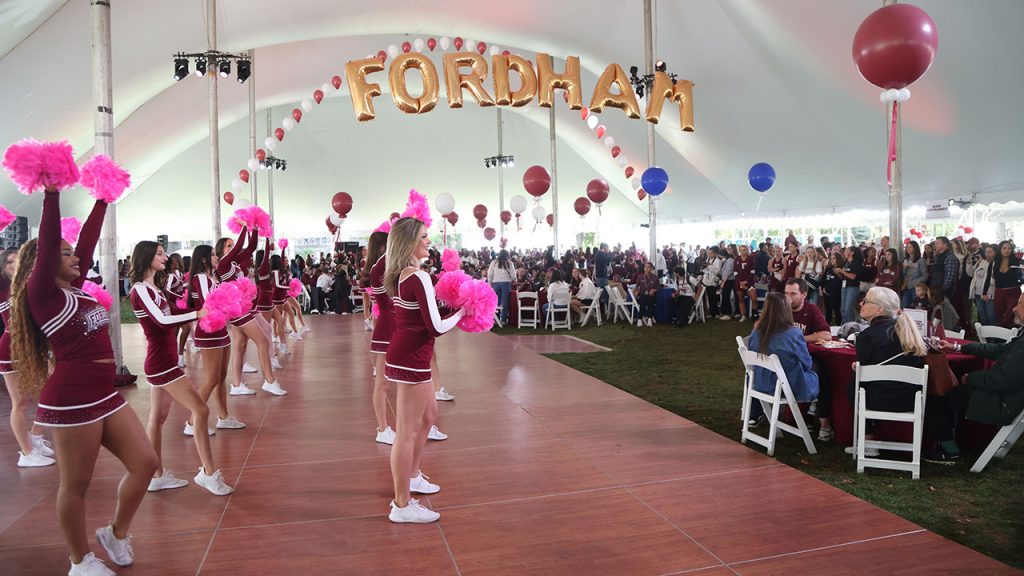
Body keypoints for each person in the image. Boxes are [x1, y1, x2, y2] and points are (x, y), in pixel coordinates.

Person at [11, 186, 159, 575]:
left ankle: (116, 533)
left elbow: (88, 241)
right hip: (72, 398)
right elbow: (46, 246)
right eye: (66, 253)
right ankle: (79, 561)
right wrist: (51, 195)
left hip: (104, 393)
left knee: (145, 463)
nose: (76, 257)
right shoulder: (41, 294)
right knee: (76, 485)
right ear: (43, 263)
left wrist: (102, 200)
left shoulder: (74, 290)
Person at [129, 241, 233, 496]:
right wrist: (197, 315)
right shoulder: (140, 290)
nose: (166, 258)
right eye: (160, 254)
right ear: (146, 257)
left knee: (157, 418)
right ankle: (208, 473)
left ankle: (156, 475)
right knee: (199, 409)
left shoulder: (155, 288)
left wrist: (202, 311)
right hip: (161, 364)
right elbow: (163, 320)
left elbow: (175, 311)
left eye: (164, 253)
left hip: (163, 362)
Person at [383, 217, 466, 524]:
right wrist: (463, 312)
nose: (428, 241)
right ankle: (401, 505)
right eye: (423, 236)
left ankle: (413, 475)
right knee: (405, 432)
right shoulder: (417, 277)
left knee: (429, 416)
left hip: (412, 354)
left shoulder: (408, 276)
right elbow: (435, 327)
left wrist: (452, 306)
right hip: (412, 358)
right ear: (409, 243)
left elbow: (424, 317)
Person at [931, 292, 1024, 463]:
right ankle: (951, 440)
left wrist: (971, 377)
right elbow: (998, 350)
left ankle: (949, 450)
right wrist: (957, 347)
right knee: (950, 389)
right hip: (1003, 397)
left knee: (936, 395)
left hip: (1002, 402)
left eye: (1020, 304)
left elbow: (1002, 380)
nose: (1014, 308)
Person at [846, 287, 927, 457]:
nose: (861, 303)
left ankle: (867, 439)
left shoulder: (866, 337)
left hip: (877, 401)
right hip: (912, 400)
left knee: (854, 382)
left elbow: (864, 375)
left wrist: (859, 369)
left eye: (866, 301)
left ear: (880, 309)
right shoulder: (910, 332)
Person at [0, 247, 55, 467]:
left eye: (19, 261)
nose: (15, 265)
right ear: (4, 267)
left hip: (33, 347)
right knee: (20, 402)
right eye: (10, 262)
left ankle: (36, 435)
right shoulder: (2, 286)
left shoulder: (30, 285)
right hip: (10, 348)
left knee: (49, 393)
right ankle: (26, 453)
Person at [745, 293, 820, 424]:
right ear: (786, 310)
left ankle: (755, 414)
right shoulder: (793, 334)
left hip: (759, 382)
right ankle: (819, 409)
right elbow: (806, 364)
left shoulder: (756, 332)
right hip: (786, 385)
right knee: (819, 366)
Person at [993, 241, 1022, 328]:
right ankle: (1000, 335)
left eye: (1009, 248)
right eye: (1004, 248)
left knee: (1011, 314)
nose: (1007, 250)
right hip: (999, 292)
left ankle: (1011, 334)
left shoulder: (1017, 262)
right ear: (1000, 250)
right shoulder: (995, 262)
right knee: (999, 313)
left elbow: (1021, 278)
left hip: (1013, 292)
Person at [969, 244, 997, 327]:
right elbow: (970, 273)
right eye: (986, 252)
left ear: (995, 253)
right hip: (978, 293)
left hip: (989, 295)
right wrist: (969, 264)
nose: (987, 254)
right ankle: (985, 338)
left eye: (990, 252)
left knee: (991, 318)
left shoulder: (996, 264)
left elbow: (991, 280)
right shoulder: (981, 262)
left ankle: (993, 338)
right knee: (982, 318)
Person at [837, 246, 864, 324]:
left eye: (846, 251)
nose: (844, 253)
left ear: (852, 253)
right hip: (844, 286)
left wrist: (841, 271)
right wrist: (839, 273)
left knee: (848, 308)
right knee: (843, 308)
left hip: (852, 287)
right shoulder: (847, 263)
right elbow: (845, 276)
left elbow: (853, 276)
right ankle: (845, 324)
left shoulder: (856, 263)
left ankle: (849, 326)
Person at [487, 250, 514, 325]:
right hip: (506, 283)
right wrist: (514, 279)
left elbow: (490, 274)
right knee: (505, 302)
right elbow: (513, 274)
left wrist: (490, 284)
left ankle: (496, 319)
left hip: (495, 283)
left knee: (496, 302)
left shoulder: (494, 262)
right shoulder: (509, 263)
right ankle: (503, 320)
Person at [733, 244, 757, 321]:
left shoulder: (751, 259)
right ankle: (743, 315)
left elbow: (752, 271)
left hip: (749, 282)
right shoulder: (736, 259)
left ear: (747, 250)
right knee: (740, 299)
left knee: (754, 297)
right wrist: (741, 282)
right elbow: (735, 272)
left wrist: (746, 281)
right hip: (739, 282)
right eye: (741, 250)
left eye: (744, 250)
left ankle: (754, 314)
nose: (743, 252)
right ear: (739, 251)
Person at [901, 241, 927, 309]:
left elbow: (925, 275)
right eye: (907, 247)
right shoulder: (906, 260)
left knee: (917, 307)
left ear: (915, 248)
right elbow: (903, 274)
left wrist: (916, 283)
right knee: (905, 306)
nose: (908, 249)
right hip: (907, 287)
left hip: (916, 287)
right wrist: (904, 268)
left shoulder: (921, 261)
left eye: (910, 247)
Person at [821, 252, 845, 326]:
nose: (832, 260)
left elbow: (839, 282)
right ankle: (827, 326)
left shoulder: (842, 269)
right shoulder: (828, 268)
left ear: (838, 259)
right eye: (831, 258)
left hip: (836, 294)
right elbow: (823, 279)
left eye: (834, 258)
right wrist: (823, 288)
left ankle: (838, 326)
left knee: (837, 310)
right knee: (828, 311)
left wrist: (829, 290)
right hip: (826, 293)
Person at [634, 261, 661, 327]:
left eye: (648, 267)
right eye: (645, 267)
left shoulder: (655, 277)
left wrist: (654, 290)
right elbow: (636, 287)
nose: (646, 269)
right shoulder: (640, 277)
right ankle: (649, 318)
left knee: (649, 298)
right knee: (644, 299)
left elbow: (658, 287)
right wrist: (635, 292)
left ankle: (640, 319)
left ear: (651, 268)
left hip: (651, 296)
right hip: (642, 295)